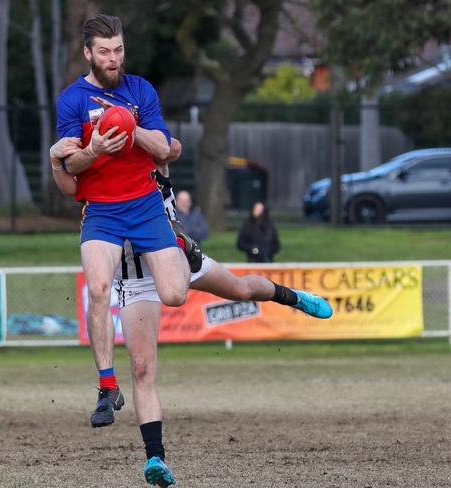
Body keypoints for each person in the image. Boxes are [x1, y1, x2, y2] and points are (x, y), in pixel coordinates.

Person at [50, 136, 332, 487]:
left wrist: (136, 128)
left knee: (242, 289)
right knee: (141, 369)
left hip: (179, 261)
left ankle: (294, 298)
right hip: (138, 282)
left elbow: (172, 146)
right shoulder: (97, 194)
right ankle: (155, 459)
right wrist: (59, 158)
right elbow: (66, 183)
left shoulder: (149, 164)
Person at [55, 13, 197, 446]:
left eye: (118, 50)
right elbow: (69, 166)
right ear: (87, 54)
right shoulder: (72, 100)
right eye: (104, 52)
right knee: (98, 287)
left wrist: (131, 127)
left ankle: (182, 250)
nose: (113, 59)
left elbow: (165, 151)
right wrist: (94, 147)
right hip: (101, 210)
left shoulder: (141, 90)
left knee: (174, 294)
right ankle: (107, 386)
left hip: (145, 203)